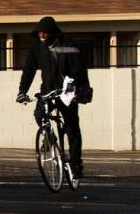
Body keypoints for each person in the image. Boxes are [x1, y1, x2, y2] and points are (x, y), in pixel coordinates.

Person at [16, 16, 90, 178]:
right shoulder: (37, 46)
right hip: (48, 89)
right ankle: (49, 137)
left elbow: (79, 68)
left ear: (51, 32)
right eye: (39, 33)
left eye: (44, 33)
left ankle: (76, 163)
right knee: (39, 114)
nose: (41, 36)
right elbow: (29, 69)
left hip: (67, 89)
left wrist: (77, 88)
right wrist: (22, 91)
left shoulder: (67, 43)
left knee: (72, 126)